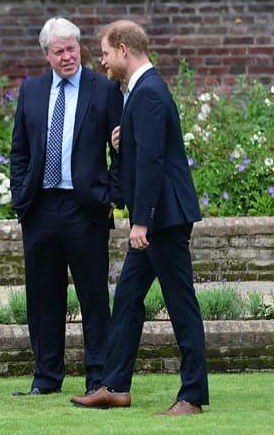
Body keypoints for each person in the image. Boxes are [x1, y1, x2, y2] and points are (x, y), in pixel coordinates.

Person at [70, 20, 209, 416]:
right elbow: (141, 152)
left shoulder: (147, 92)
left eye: (105, 53)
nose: (102, 61)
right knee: (127, 298)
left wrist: (142, 221)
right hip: (155, 217)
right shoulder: (138, 92)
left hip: (162, 220)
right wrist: (122, 143)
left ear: (123, 49)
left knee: (181, 305)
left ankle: (192, 397)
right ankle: (114, 386)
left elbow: (153, 163)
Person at [10, 17, 122, 396]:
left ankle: (98, 380)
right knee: (43, 298)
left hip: (85, 208)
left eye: (72, 48)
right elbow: (19, 151)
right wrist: (20, 198)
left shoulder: (103, 89)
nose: (68, 56)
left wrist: (110, 194)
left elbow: (121, 149)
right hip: (40, 209)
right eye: (59, 51)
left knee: (93, 297)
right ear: (47, 55)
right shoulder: (32, 91)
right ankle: (46, 379)